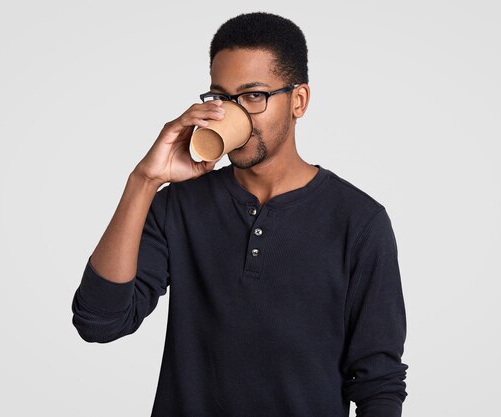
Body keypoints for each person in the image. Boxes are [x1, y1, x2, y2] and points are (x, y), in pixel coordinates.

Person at [71, 11, 408, 417]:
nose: (235, 114)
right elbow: (100, 322)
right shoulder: (179, 205)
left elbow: (378, 381)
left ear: (298, 100)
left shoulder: (359, 221)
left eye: (253, 96)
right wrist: (144, 180)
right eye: (221, 98)